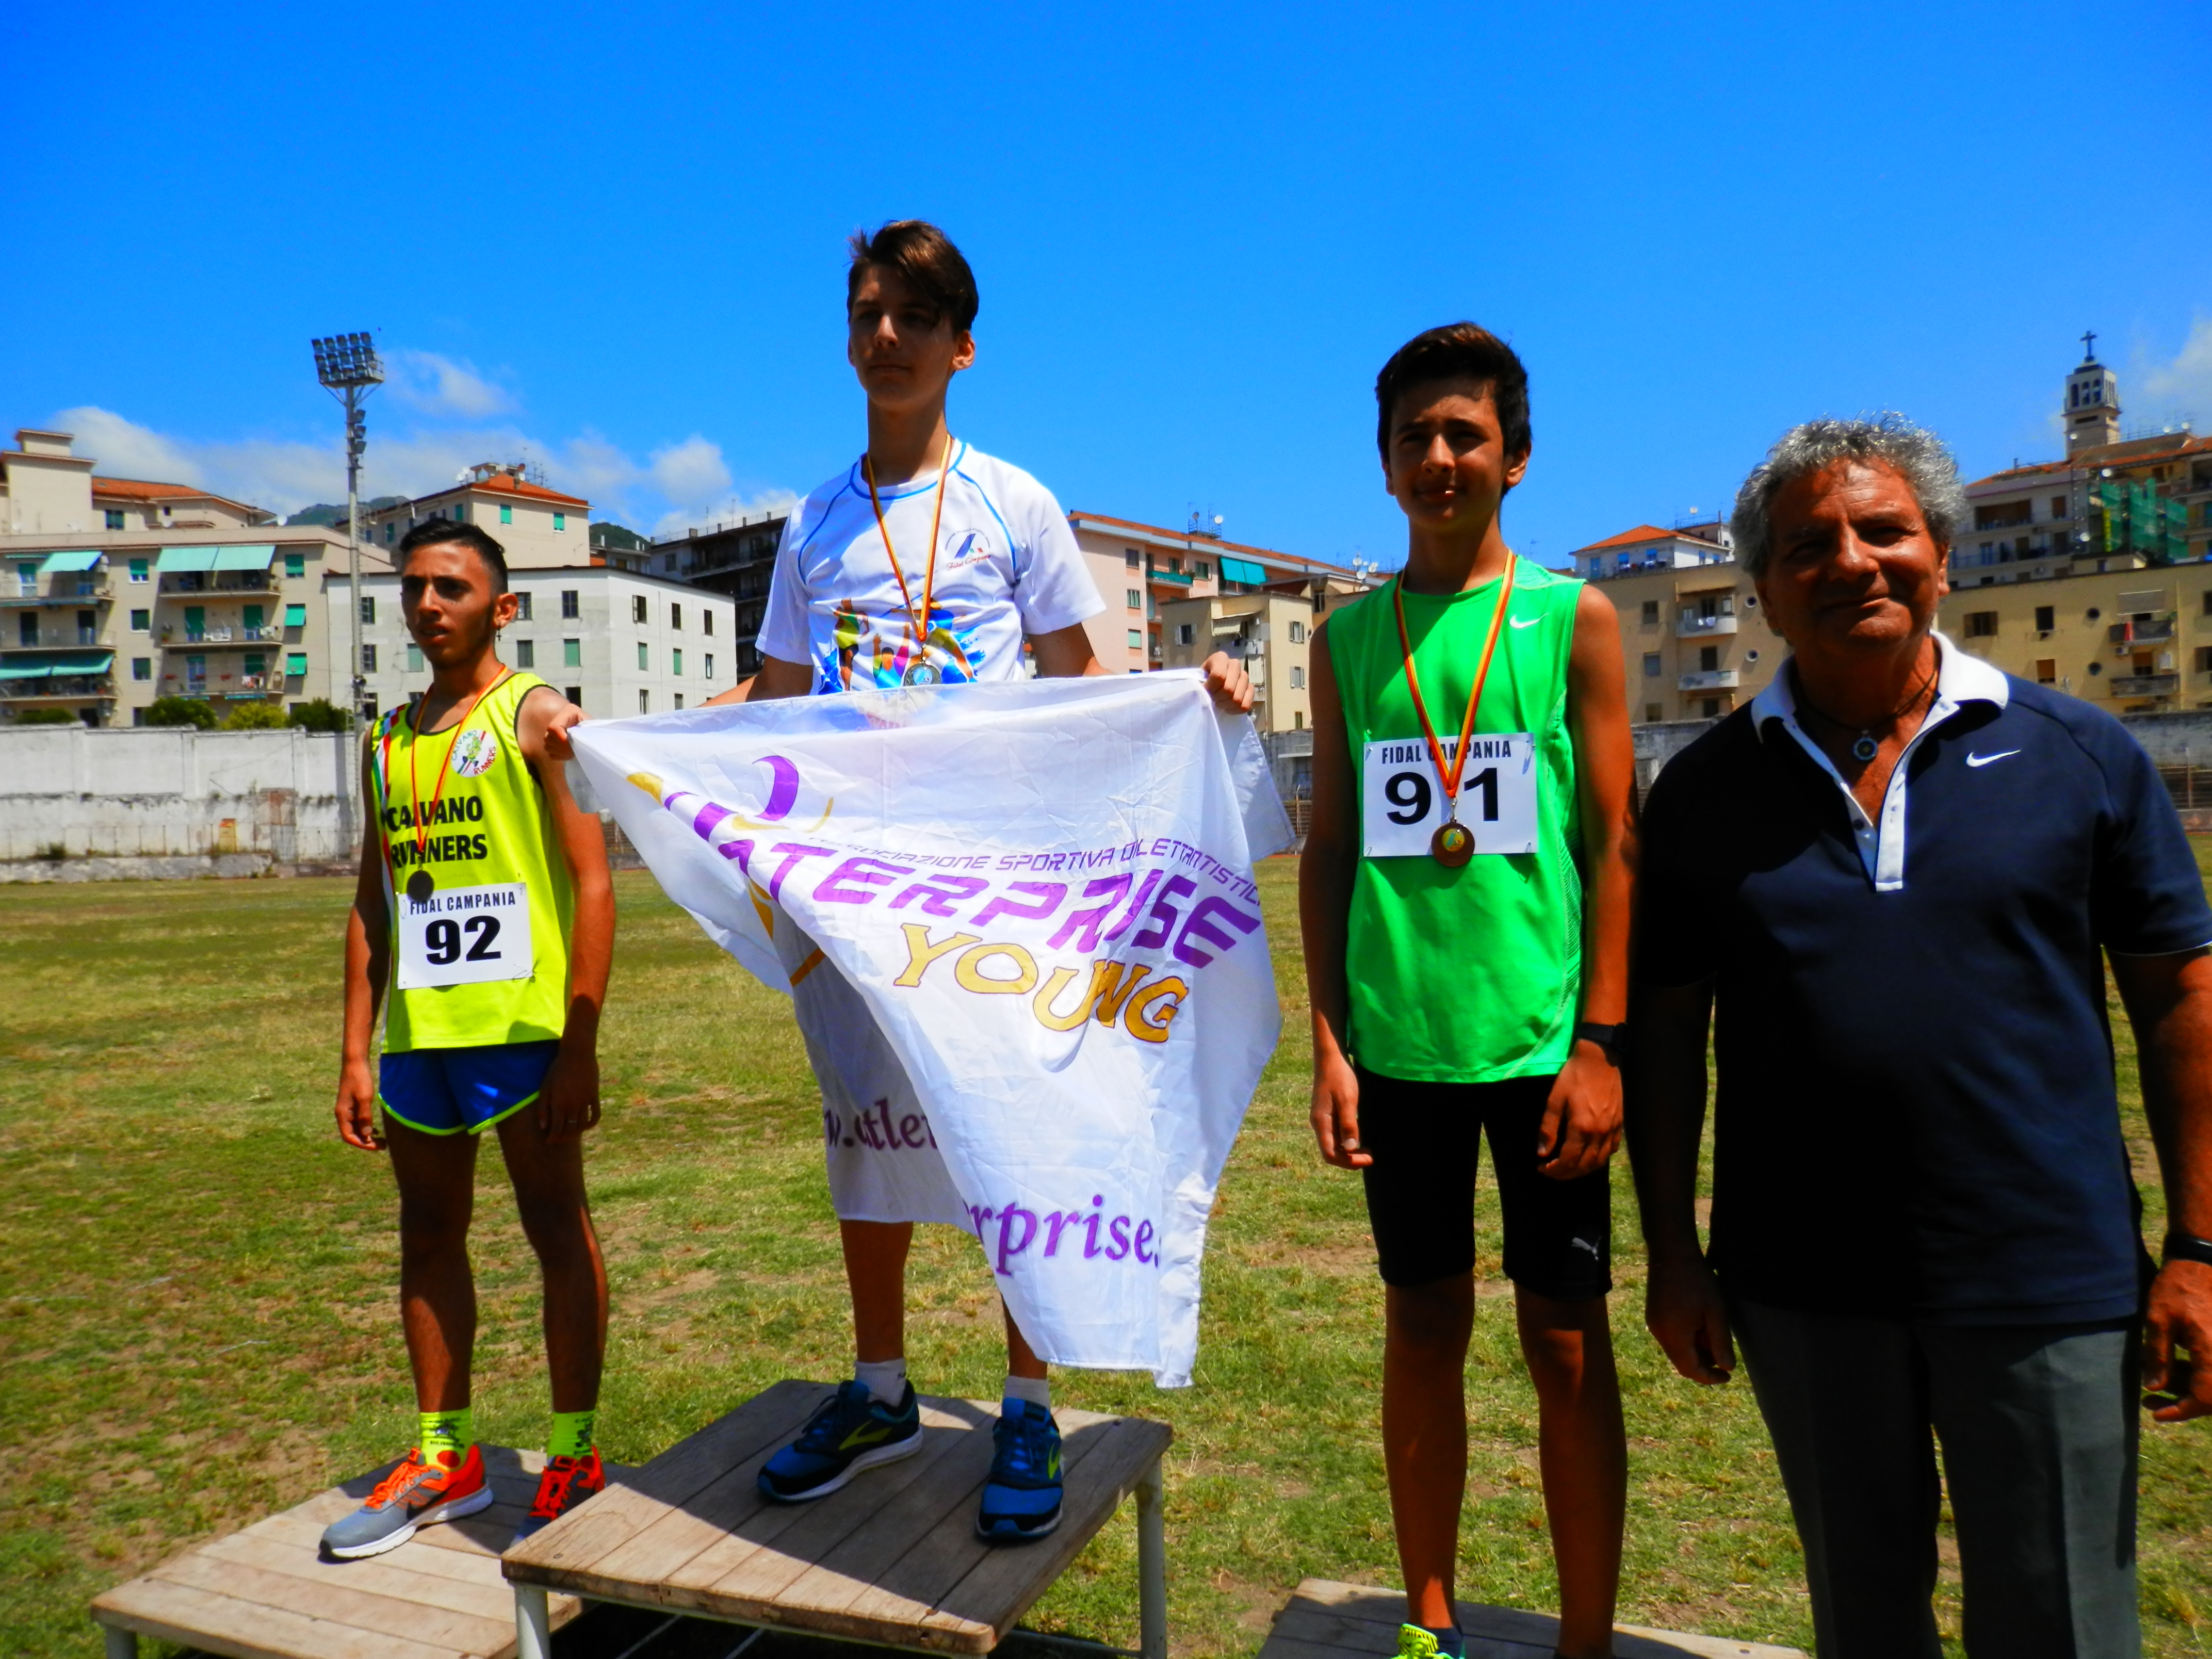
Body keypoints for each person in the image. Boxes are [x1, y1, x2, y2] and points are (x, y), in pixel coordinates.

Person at [1629, 415, 2212, 1658]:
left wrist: (2198, 1247)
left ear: (1941, 556)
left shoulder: (2078, 755)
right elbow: (1667, 1033)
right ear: (1764, 592)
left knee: (2061, 1620)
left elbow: (2177, 998)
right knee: (1862, 1619)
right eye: (1806, 546)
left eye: (1882, 531)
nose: (1849, 561)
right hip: (1801, 1287)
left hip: (2044, 1279)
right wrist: (1672, 1254)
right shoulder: (1703, 791)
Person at [706, 219, 1253, 1542]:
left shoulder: (1014, 503)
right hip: (853, 889)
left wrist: (1193, 693)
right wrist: (617, 738)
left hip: (993, 885)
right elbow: (774, 697)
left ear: (961, 347)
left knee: (1018, 1131)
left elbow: (1080, 681)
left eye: (913, 316)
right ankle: (880, 1389)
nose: (885, 336)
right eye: (865, 313)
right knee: (866, 1133)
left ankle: (1026, 1402)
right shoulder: (812, 523)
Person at [1302, 323, 1637, 1659]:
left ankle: (1585, 1641)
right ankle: (1427, 1622)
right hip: (1401, 1051)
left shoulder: (1573, 618)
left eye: (1465, 434)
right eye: (1415, 438)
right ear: (1383, 465)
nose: (1439, 457)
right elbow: (1329, 851)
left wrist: (1601, 1043)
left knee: (1564, 1342)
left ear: (1516, 457)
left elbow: (1614, 843)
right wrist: (1330, 1044)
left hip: (1544, 1049)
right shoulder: (1347, 637)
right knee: (1423, 1324)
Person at [320, 519, 616, 1560]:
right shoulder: (386, 739)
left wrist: (580, 1040)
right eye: (414, 588)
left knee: (555, 1229)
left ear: (502, 606)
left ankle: (574, 1454)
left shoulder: (531, 715)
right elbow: (373, 900)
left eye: (451, 587)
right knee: (428, 1236)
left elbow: (592, 881)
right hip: (420, 1044)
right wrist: (356, 1051)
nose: (427, 604)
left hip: (523, 1034)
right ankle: (445, 1456)